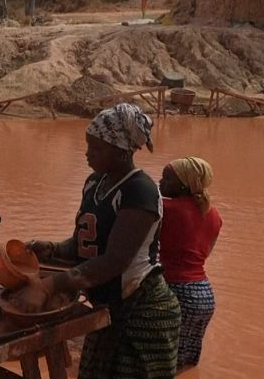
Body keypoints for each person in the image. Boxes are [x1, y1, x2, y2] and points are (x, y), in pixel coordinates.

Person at [18, 103, 181, 378]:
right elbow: (87, 244)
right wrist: (55, 248)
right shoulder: (95, 183)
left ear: (120, 151)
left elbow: (115, 261)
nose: (87, 154)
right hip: (106, 308)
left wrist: (50, 285)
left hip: (141, 312)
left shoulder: (139, 191)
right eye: (87, 146)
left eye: (96, 148)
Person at [159, 157, 222, 371]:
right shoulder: (213, 214)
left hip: (175, 292)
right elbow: (206, 253)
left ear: (184, 185)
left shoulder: (165, 209)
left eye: (167, 179)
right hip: (204, 296)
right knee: (185, 365)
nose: (160, 182)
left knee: (160, 363)